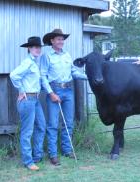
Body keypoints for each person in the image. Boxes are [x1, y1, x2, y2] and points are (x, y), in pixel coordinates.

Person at [40, 29, 87, 166]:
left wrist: (89, 77)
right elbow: (43, 76)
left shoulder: (67, 55)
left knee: (68, 123)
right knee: (53, 124)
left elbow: (73, 72)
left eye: (62, 39)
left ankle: (67, 150)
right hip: (54, 90)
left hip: (68, 90)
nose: (61, 41)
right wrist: (51, 93)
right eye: (58, 39)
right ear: (52, 41)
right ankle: (53, 154)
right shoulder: (47, 56)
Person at [10, 37, 46, 171]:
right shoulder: (27, 62)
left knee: (41, 126)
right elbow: (13, 75)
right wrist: (21, 90)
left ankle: (37, 155)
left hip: (35, 100)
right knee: (27, 131)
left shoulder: (35, 63)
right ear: (29, 49)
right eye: (35, 47)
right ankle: (28, 161)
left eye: (39, 47)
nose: (38, 49)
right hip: (27, 101)